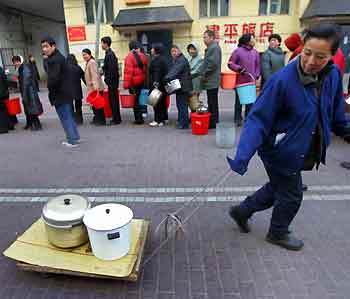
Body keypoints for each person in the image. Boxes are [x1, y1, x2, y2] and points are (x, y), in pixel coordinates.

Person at [227, 24, 350, 251]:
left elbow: (335, 110)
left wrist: (346, 130)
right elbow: (257, 120)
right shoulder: (281, 81)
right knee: (292, 195)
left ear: (333, 56)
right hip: (280, 150)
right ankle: (278, 232)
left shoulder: (332, 75)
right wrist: (242, 155)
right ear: (302, 48)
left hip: (304, 145)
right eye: (307, 52)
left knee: (278, 188)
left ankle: (242, 211)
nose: (311, 60)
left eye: (320, 56)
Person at [41, 36, 80, 147]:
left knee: (65, 117)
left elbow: (54, 79)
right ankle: (74, 137)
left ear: (53, 46)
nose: (44, 49)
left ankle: (72, 140)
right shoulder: (59, 57)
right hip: (65, 92)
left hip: (60, 94)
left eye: (46, 46)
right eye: (43, 47)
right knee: (68, 116)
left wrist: (49, 87)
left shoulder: (54, 60)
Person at [228, 33, 260, 127]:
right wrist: (239, 69)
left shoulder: (255, 52)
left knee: (250, 102)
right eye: (252, 39)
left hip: (251, 81)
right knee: (239, 101)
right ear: (247, 41)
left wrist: (257, 75)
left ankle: (248, 118)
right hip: (241, 81)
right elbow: (230, 63)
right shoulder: (237, 51)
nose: (254, 40)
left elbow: (258, 65)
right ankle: (237, 118)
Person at [165, 45, 193, 129]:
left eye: (175, 51)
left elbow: (175, 71)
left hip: (183, 86)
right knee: (180, 104)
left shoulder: (181, 60)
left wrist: (166, 78)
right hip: (181, 86)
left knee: (182, 105)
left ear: (179, 51)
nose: (173, 53)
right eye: (172, 52)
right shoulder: (179, 59)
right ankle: (182, 121)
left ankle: (184, 124)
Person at [12, 55, 43, 131]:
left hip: (29, 91)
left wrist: (25, 95)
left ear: (19, 61)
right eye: (14, 62)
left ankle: (36, 125)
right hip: (25, 91)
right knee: (28, 108)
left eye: (16, 62)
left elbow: (26, 82)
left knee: (32, 108)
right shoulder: (20, 68)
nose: (15, 63)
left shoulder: (25, 68)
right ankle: (29, 123)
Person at [199, 30, 222, 129]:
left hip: (212, 79)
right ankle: (213, 120)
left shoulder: (214, 48)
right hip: (210, 79)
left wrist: (204, 73)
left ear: (211, 38)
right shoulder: (211, 48)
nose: (204, 39)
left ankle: (213, 122)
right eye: (203, 37)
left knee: (212, 101)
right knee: (211, 101)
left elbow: (213, 64)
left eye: (205, 37)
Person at [123, 40, 148, 125]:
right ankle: (141, 115)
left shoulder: (129, 57)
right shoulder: (143, 56)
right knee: (140, 100)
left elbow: (128, 72)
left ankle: (138, 119)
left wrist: (126, 85)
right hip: (141, 81)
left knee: (135, 101)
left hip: (134, 83)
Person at [82, 48, 106, 126]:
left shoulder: (91, 62)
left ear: (90, 54)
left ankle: (101, 121)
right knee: (95, 106)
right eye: (83, 55)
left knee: (99, 106)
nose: (84, 56)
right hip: (93, 89)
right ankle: (97, 119)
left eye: (85, 54)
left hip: (96, 89)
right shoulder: (88, 62)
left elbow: (94, 76)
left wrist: (96, 89)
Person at [101, 36, 121, 125]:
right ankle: (115, 118)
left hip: (112, 82)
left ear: (106, 44)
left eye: (102, 43)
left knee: (113, 100)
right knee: (113, 100)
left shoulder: (110, 54)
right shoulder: (108, 53)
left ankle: (116, 119)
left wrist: (107, 80)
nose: (101, 45)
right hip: (112, 81)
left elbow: (112, 70)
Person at [148, 43, 169, 127]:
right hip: (163, 85)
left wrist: (155, 84)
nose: (151, 50)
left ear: (156, 50)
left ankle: (157, 120)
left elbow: (157, 72)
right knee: (163, 102)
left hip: (157, 84)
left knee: (156, 103)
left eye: (152, 49)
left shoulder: (156, 60)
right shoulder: (163, 59)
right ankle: (164, 119)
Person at [66, 54, 85, 125]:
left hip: (68, 90)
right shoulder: (78, 67)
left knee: (70, 106)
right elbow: (83, 77)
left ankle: (72, 119)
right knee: (78, 106)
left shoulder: (65, 68)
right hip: (77, 90)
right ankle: (79, 120)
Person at [186, 42, 203, 112]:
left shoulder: (200, 59)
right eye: (190, 49)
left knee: (194, 100)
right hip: (188, 82)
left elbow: (197, 71)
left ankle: (195, 116)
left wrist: (185, 74)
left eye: (193, 49)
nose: (191, 51)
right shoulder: (188, 57)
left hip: (195, 82)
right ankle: (192, 115)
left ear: (197, 50)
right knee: (188, 100)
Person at [0, 65, 13, 134]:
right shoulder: (2, 70)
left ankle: (3, 128)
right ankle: (10, 125)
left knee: (2, 112)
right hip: (4, 93)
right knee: (6, 110)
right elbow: (6, 82)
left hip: (1, 94)